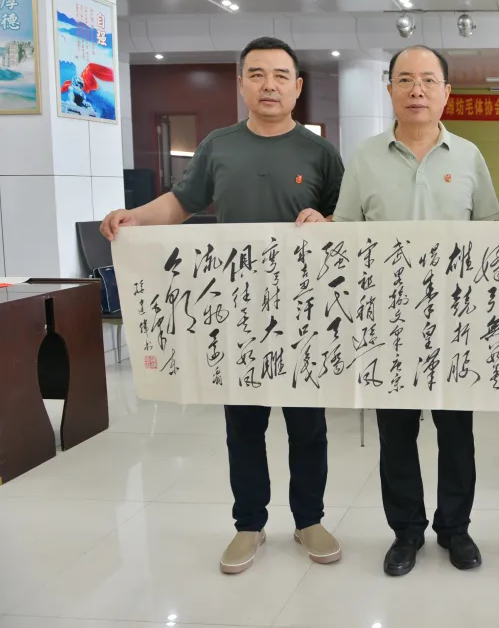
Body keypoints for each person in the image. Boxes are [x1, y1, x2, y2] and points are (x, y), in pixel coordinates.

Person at [100, 36, 345, 575]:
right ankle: (249, 524)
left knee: (308, 426)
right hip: (238, 312)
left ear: (297, 86)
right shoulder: (218, 146)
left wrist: (327, 221)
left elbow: (346, 219)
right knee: (244, 426)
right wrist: (135, 217)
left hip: (302, 313)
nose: (269, 85)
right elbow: (181, 203)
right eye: (257, 74)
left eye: (280, 75)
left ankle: (309, 520)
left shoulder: (320, 152)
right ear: (241, 84)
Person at [297, 45, 499, 577]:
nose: (417, 90)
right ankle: (406, 532)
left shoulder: (469, 157)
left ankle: (455, 529)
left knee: (457, 435)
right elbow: (345, 233)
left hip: (453, 325)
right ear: (389, 89)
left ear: (446, 92)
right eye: (405, 79)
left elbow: (490, 238)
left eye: (428, 80)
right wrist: (323, 227)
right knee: (396, 436)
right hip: (385, 324)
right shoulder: (365, 158)